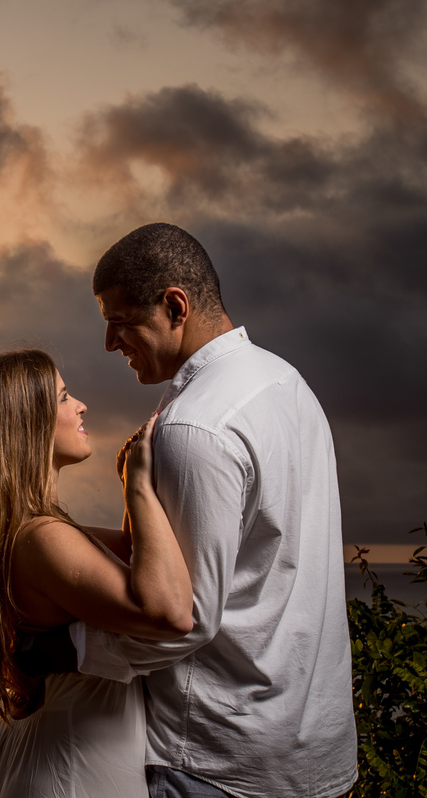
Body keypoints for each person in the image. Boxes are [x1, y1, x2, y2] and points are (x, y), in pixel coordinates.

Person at [74, 222, 357, 797]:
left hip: (218, 762)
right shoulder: (286, 381)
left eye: (120, 321)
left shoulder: (195, 425)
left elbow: (183, 619)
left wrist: (65, 648)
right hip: (315, 751)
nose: (109, 343)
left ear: (175, 305)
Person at [0, 348, 193, 798]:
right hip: (73, 767)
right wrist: (141, 489)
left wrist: (132, 486)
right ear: (28, 427)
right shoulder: (42, 537)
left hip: (51, 750)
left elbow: (134, 553)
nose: (80, 405)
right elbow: (168, 612)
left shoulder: (26, 529)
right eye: (64, 398)